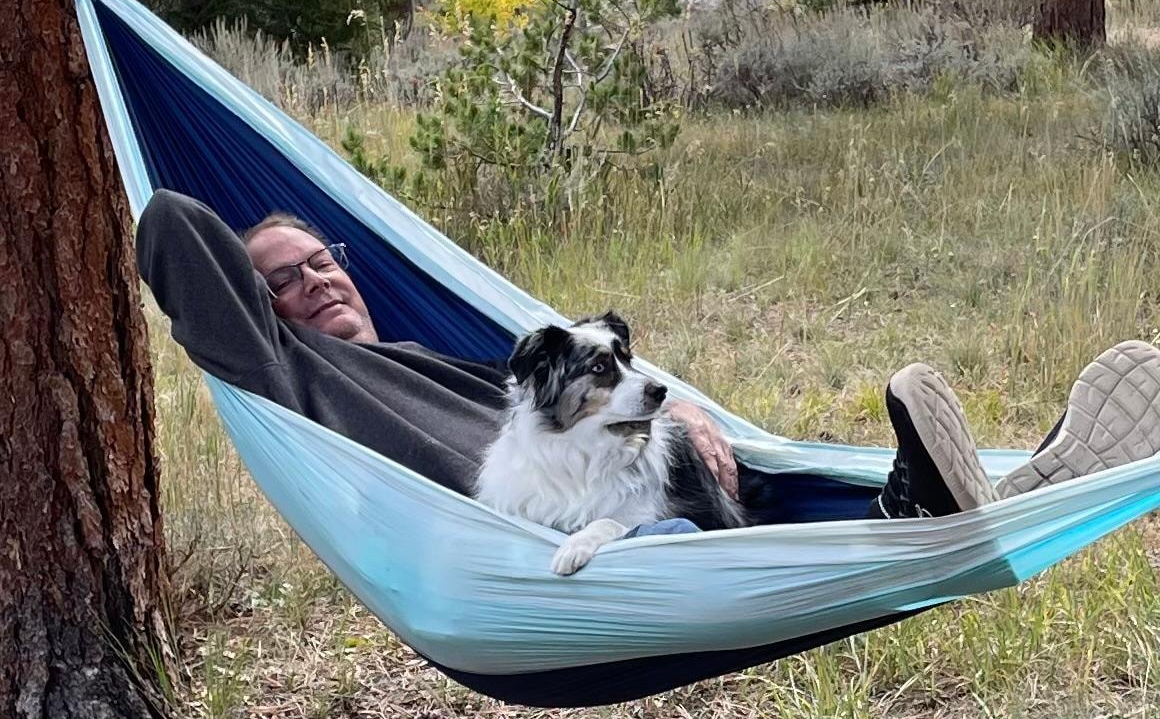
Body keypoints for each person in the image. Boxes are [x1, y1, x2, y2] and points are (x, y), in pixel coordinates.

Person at [136, 190, 1160, 528]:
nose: (318, 278)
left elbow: (562, 407)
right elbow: (176, 220)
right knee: (697, 543)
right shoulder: (285, 379)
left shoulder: (418, 353)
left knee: (755, 472)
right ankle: (916, 515)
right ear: (247, 305)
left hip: (613, 478)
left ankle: (1019, 485)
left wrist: (666, 420)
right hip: (525, 542)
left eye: (325, 258)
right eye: (281, 276)